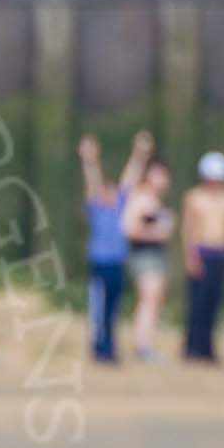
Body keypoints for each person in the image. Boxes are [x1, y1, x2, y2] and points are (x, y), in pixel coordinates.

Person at [77, 130, 152, 364]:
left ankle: (110, 347)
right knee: (98, 308)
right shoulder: (96, 207)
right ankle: (98, 347)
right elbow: (92, 179)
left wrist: (140, 154)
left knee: (113, 308)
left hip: (117, 262)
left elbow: (130, 177)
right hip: (99, 262)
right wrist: (89, 159)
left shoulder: (120, 205)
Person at [180, 150, 224, 364]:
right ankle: (192, 346)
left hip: (221, 254)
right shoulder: (194, 198)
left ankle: (208, 348)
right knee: (196, 303)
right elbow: (188, 229)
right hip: (201, 251)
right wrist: (190, 257)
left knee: (214, 303)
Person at [120, 154, 177, 362]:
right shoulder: (141, 197)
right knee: (148, 300)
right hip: (145, 254)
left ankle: (146, 343)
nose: (162, 179)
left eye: (165, 175)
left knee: (154, 301)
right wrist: (158, 232)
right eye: (158, 173)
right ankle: (142, 346)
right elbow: (129, 229)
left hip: (156, 254)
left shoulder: (156, 200)